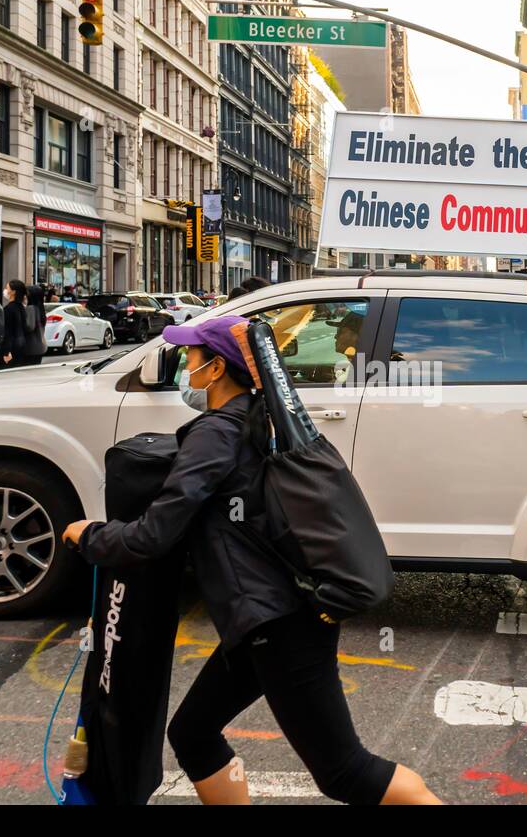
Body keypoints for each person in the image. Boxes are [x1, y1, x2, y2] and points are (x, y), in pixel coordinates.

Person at [62, 317, 441, 806]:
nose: (185, 368)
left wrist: (90, 535)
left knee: (344, 771)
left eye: (191, 358)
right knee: (193, 734)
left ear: (216, 368)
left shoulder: (216, 433)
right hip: (266, 618)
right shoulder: (254, 416)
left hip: (279, 625)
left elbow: (153, 534)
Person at [0, 280, 28, 369]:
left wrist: (7, 352)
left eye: (7, 288)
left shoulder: (9, 309)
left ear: (13, 292)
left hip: (9, 349)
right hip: (20, 347)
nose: (5, 290)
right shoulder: (21, 307)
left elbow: (8, 332)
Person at [21, 284, 48, 366]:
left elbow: (29, 327)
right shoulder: (40, 309)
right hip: (40, 345)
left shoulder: (31, 308)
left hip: (31, 347)